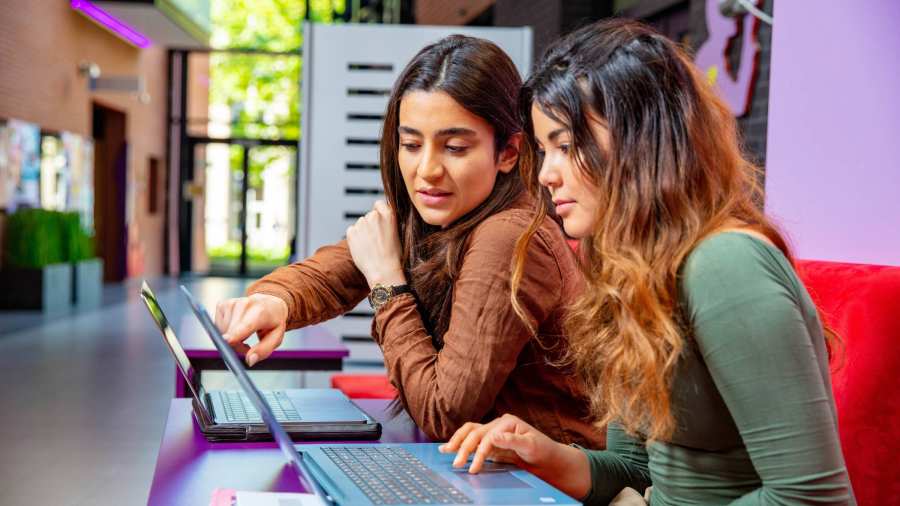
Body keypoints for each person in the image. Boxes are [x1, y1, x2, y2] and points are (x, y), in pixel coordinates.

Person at [441, 19, 854, 505]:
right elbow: (636, 470)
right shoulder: (631, 270)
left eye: (567, 146)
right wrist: (542, 454)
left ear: (641, 140)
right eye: (542, 148)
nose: (547, 174)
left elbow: (812, 498)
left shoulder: (724, 264)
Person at [214, 35, 603, 446]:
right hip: (488, 472)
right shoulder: (447, 215)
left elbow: (445, 412)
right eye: (411, 145)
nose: (427, 169)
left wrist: (386, 285)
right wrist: (274, 300)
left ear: (508, 152)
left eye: (454, 147)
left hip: (542, 486)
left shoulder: (507, 235)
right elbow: (340, 267)